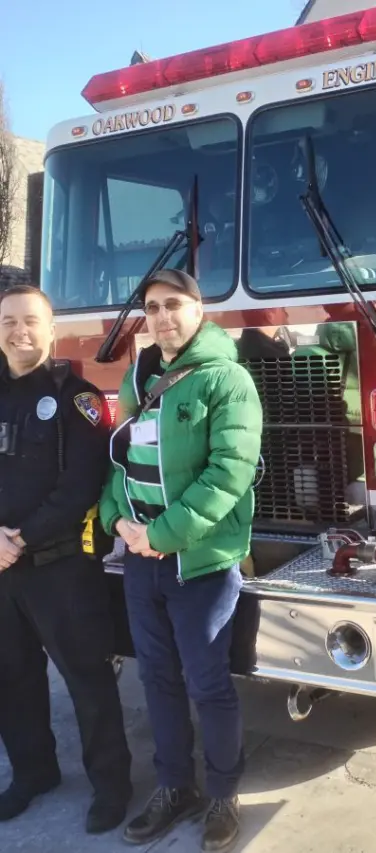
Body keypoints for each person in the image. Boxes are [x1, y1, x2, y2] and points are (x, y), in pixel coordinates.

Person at [99, 269, 263, 851]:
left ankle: (222, 793)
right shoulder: (138, 376)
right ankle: (175, 788)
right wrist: (117, 520)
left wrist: (163, 535)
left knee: (208, 682)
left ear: (198, 309)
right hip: (142, 560)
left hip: (200, 563)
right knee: (157, 678)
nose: (162, 317)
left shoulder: (228, 380)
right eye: (152, 307)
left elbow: (228, 474)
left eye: (173, 304)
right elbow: (119, 461)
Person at [0, 284, 132, 833]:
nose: (19, 331)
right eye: (8, 320)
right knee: (11, 678)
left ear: (51, 330)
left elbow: (80, 486)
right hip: (2, 571)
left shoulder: (79, 398)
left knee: (87, 680)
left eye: (31, 320)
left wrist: (16, 539)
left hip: (62, 568)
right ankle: (34, 773)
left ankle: (112, 786)